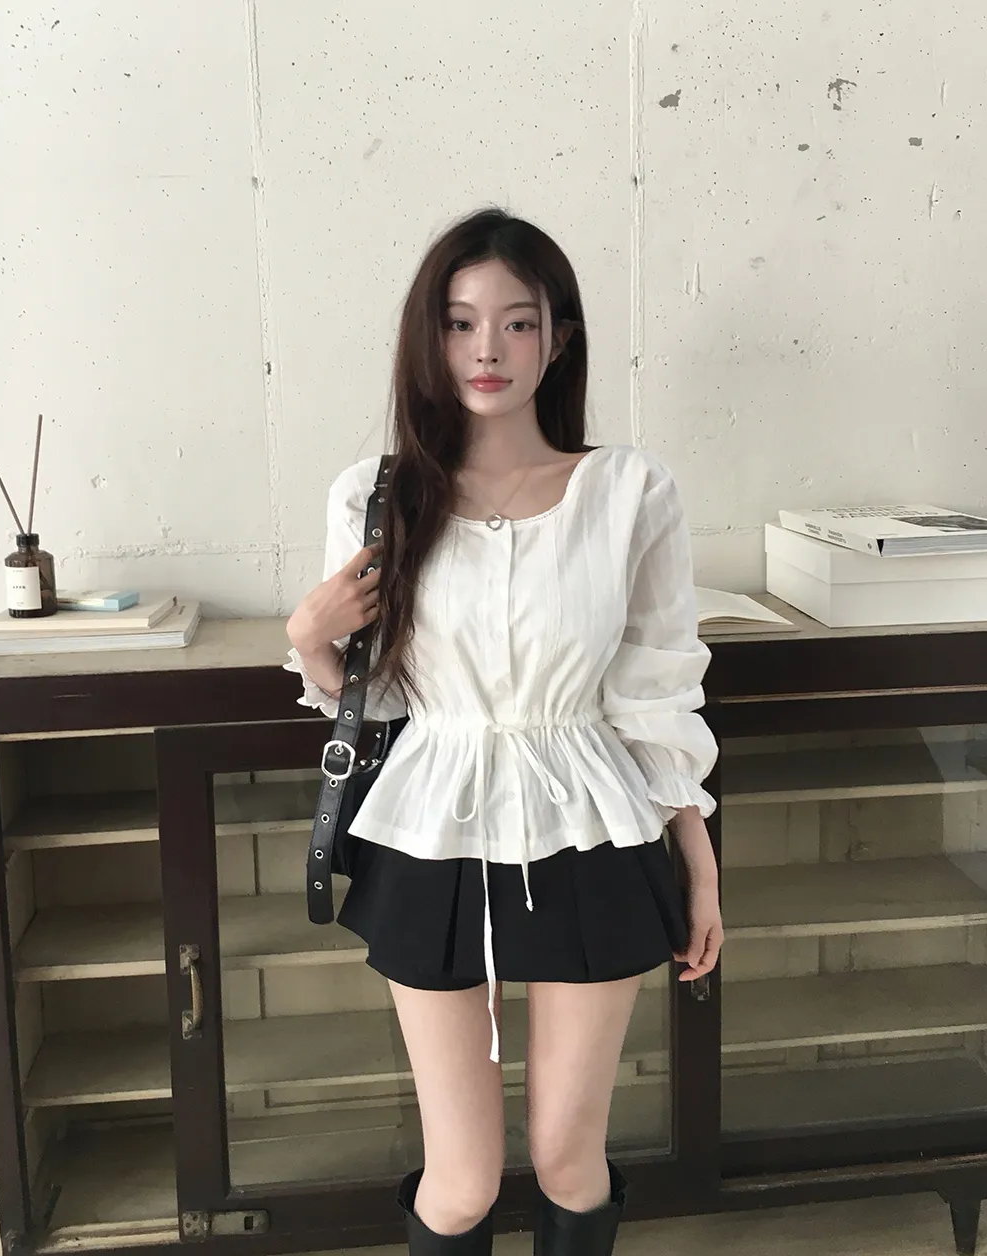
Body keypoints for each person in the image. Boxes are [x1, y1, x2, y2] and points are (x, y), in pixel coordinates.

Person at [284, 209, 723, 1256]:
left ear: (556, 339)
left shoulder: (629, 490)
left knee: (569, 1156)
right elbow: (379, 704)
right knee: (464, 1179)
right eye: (459, 322)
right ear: (428, 338)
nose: (487, 349)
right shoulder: (378, 496)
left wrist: (698, 858)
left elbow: (655, 686)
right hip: (430, 828)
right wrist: (309, 641)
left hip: (593, 826)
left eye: (517, 322)